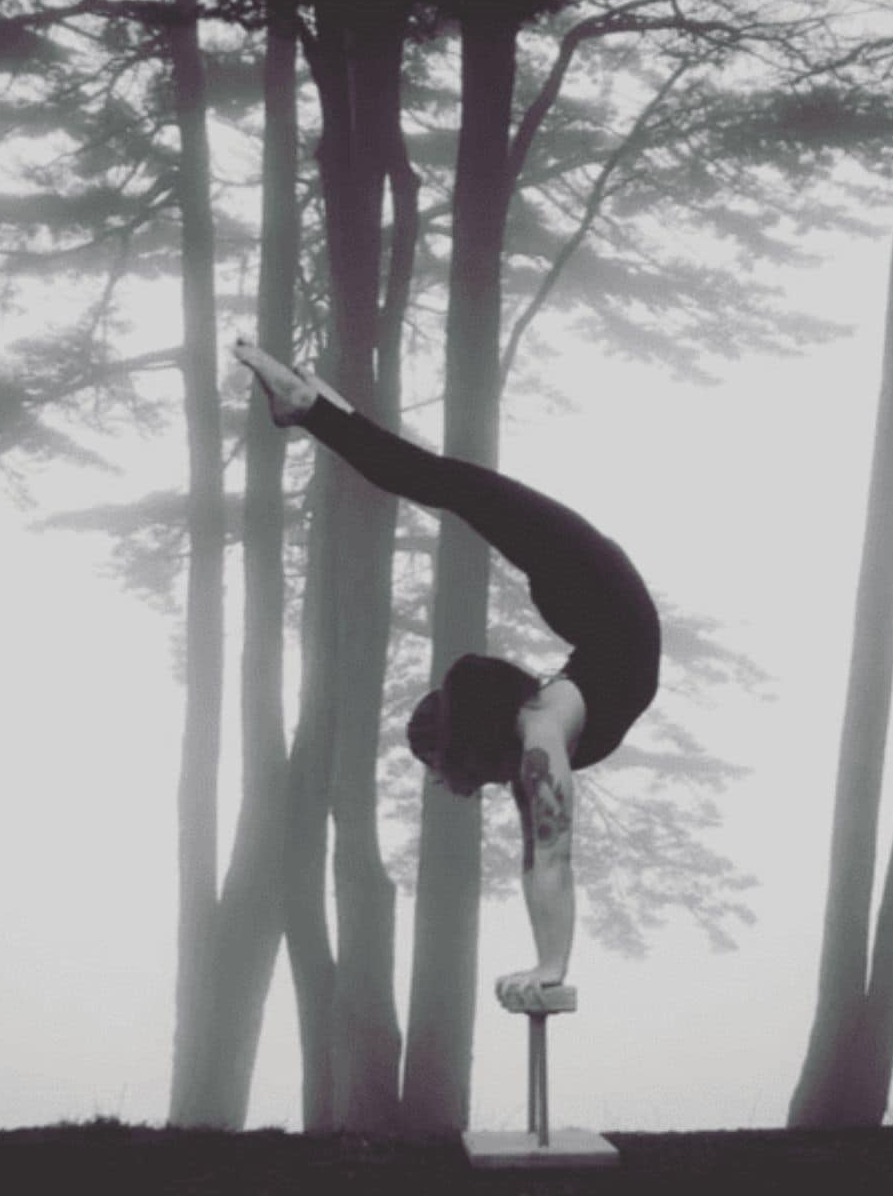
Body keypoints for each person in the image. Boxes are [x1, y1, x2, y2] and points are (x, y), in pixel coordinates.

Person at [234, 340, 661, 1008]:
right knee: (449, 485)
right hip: (590, 606)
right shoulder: (534, 747)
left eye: (443, 764)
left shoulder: (544, 737)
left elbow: (554, 861)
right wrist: (541, 962)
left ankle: (315, 409)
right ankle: (320, 409)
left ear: (474, 739)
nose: (446, 781)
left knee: (451, 485)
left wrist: (552, 968)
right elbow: (534, 856)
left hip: (598, 593)